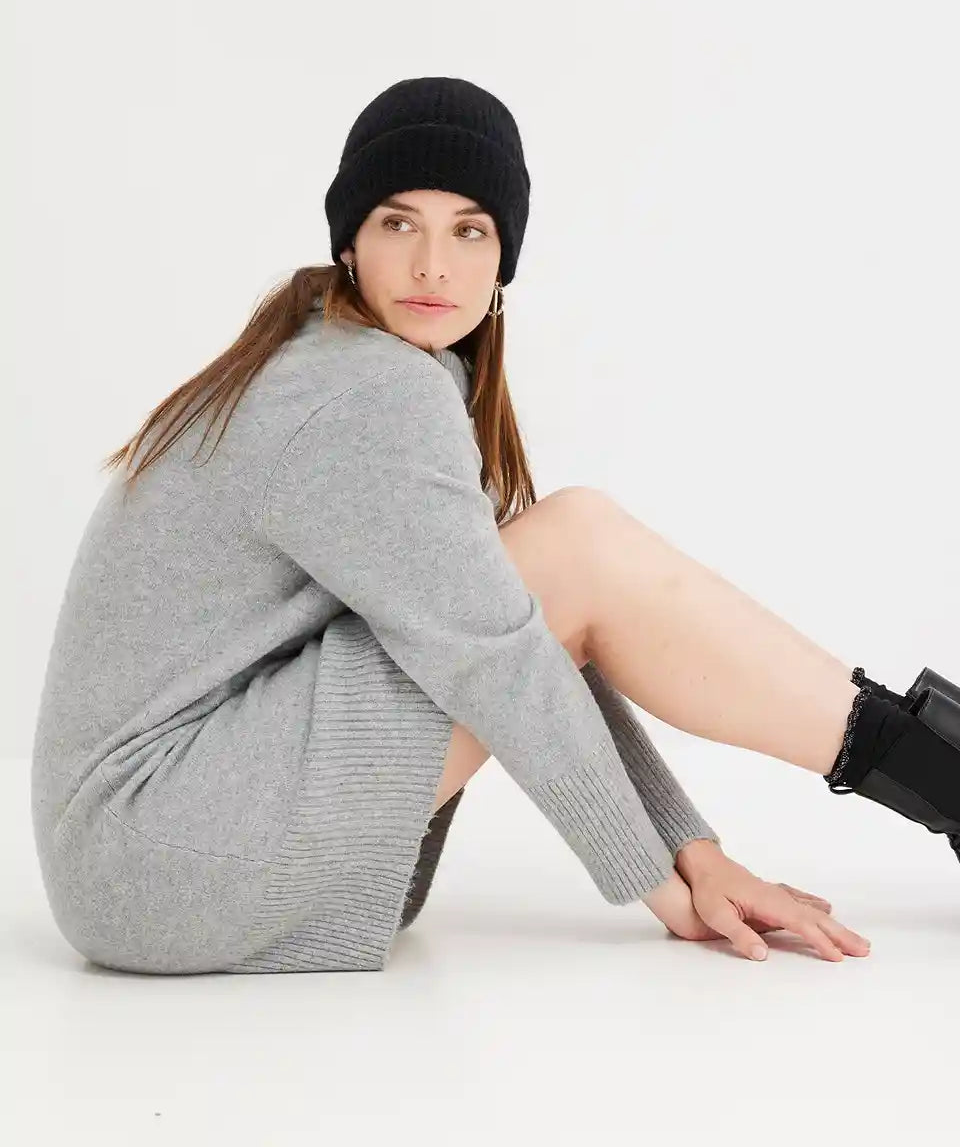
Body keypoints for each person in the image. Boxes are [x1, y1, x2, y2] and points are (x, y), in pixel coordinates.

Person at [30, 76, 960, 976]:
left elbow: (523, 633)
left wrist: (693, 850)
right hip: (158, 854)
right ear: (349, 243)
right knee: (575, 544)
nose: (433, 265)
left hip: (147, 855)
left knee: (565, 552)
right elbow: (504, 655)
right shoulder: (363, 389)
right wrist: (660, 882)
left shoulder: (343, 360)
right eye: (399, 223)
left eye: (469, 231)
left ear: (503, 259)